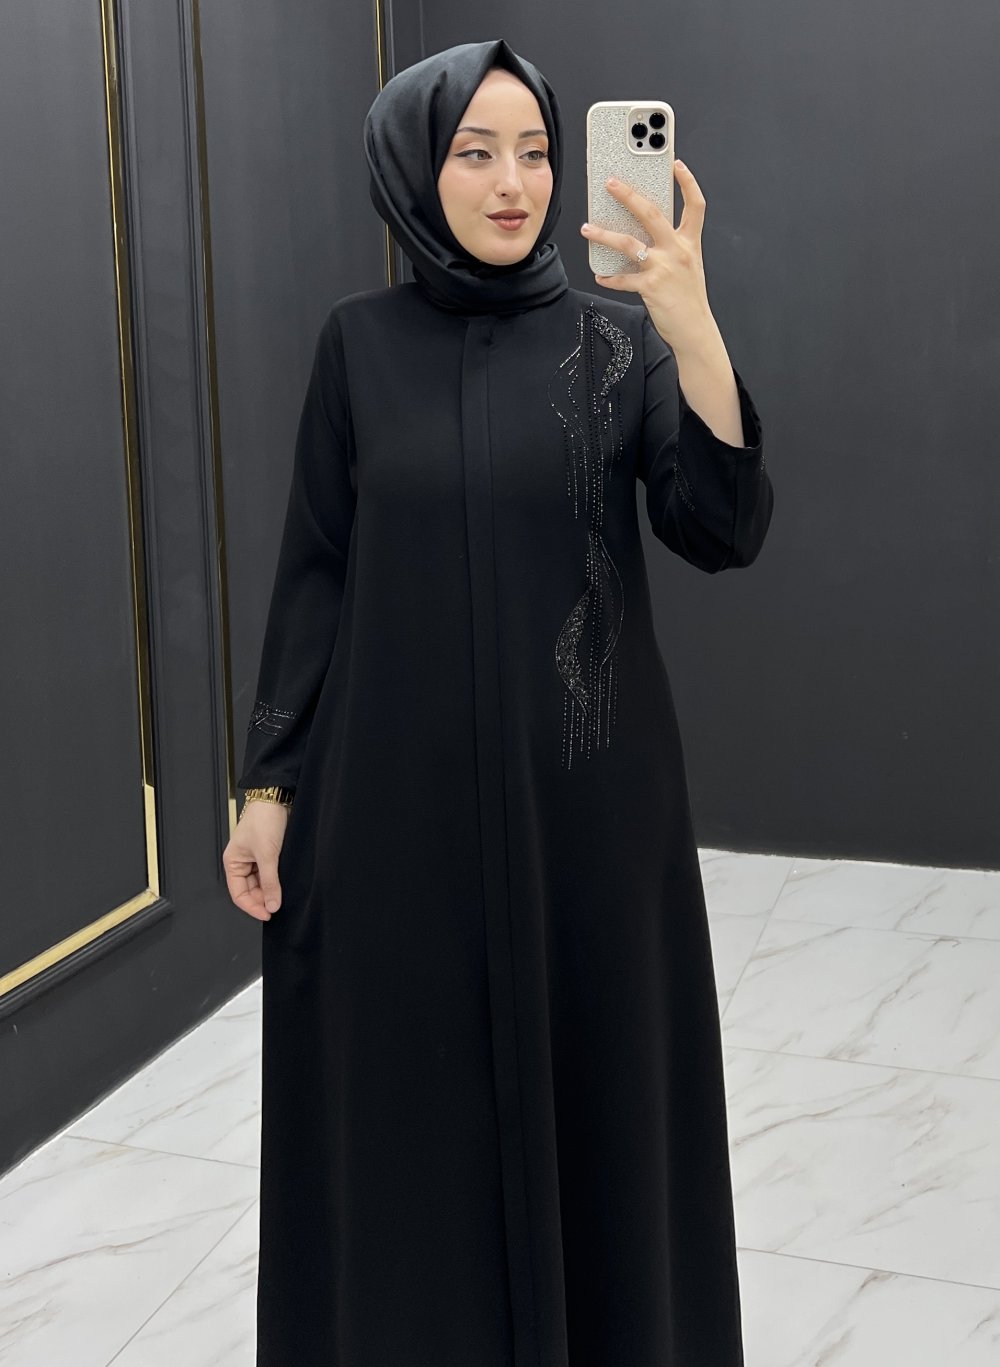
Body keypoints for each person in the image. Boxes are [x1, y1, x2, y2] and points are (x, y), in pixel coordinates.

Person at [223, 36, 772, 1367]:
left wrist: (693, 325)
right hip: (394, 815)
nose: (513, 182)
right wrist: (268, 782)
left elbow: (719, 526)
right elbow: (315, 569)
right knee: (411, 1111)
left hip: (589, 812)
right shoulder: (357, 349)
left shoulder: (617, 342)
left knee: (602, 1102)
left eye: (534, 151)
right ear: (417, 167)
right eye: (475, 153)